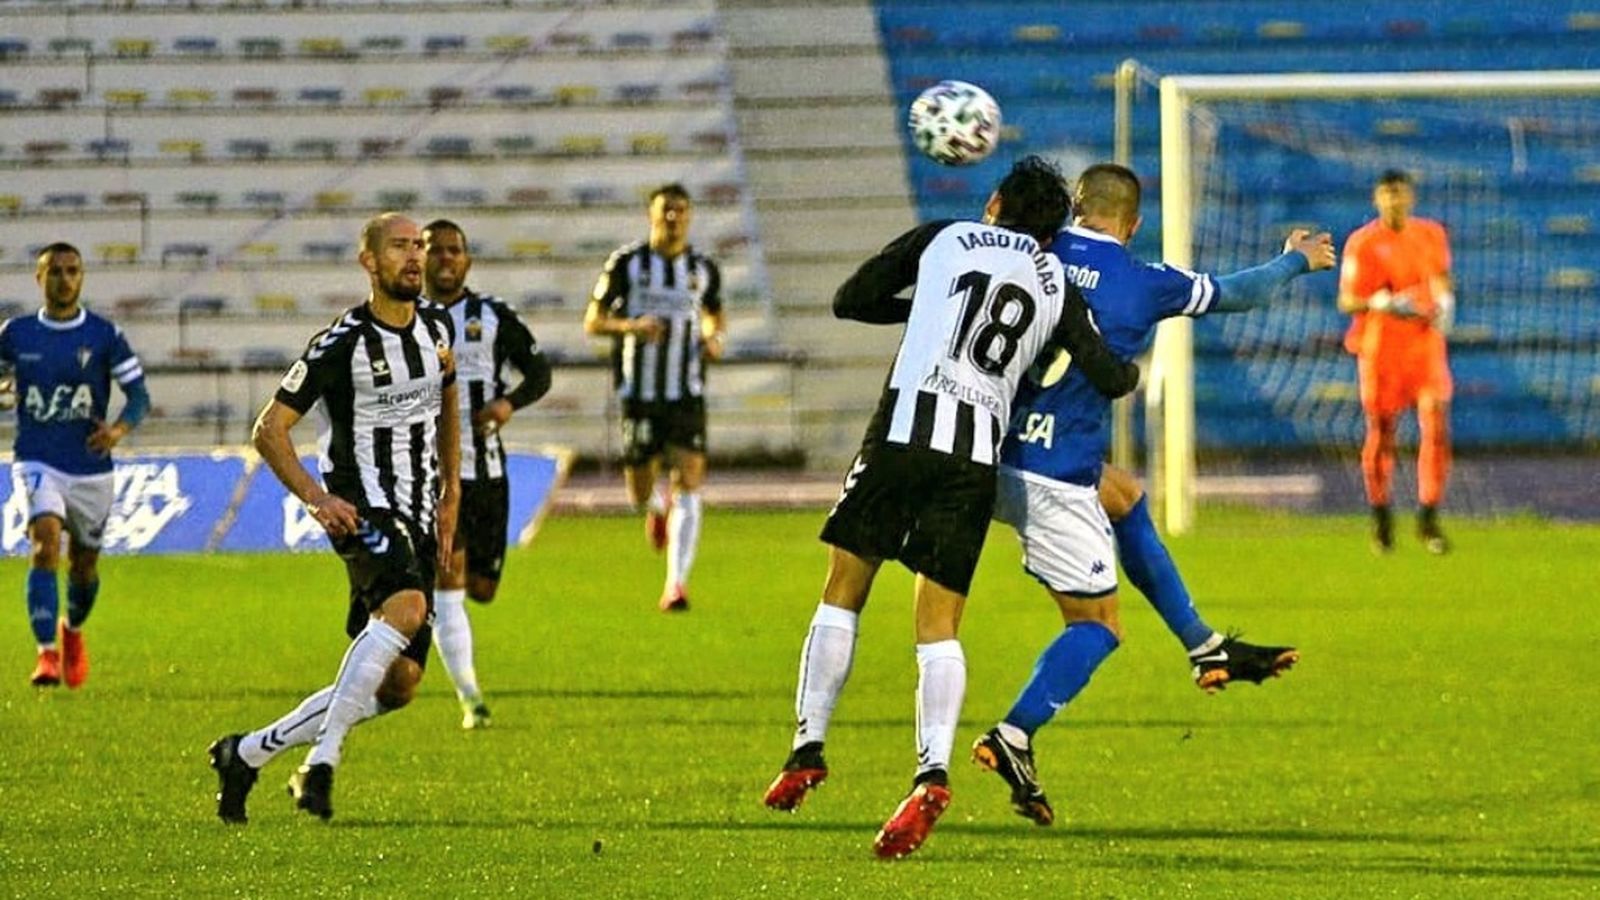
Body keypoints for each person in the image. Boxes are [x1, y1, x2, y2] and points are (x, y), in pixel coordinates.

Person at [759, 156, 1141, 859]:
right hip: (973, 461)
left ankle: (806, 747)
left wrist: (923, 308)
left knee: (844, 590)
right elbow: (1112, 376)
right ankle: (930, 771)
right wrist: (1126, 360)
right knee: (938, 625)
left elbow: (852, 299)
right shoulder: (1055, 284)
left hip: (904, 432)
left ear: (994, 202)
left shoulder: (945, 236)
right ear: (1052, 230)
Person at [969, 162, 1333, 825]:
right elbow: (1238, 294)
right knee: (1099, 627)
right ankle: (1013, 734)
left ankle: (1204, 645)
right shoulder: (1143, 282)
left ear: (1074, 206)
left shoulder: (1030, 248)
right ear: (1132, 224)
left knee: (1126, 495)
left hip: (983, 453)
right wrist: (1294, 260)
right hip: (1051, 478)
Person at [206, 213, 460, 823]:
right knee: (407, 609)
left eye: (418, 247)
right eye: (399, 247)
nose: (414, 257)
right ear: (369, 262)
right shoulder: (340, 343)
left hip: (420, 514)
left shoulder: (438, 328)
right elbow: (270, 430)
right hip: (364, 509)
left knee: (399, 685)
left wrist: (451, 493)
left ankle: (244, 753)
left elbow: (450, 397)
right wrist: (317, 500)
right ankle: (321, 761)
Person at [422, 218, 552, 730]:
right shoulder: (405, 319)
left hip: (488, 474)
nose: (446, 259)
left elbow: (539, 374)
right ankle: (470, 697)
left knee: (482, 589)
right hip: (433, 477)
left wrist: (507, 404)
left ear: (467, 261)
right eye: (436, 250)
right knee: (447, 580)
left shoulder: (494, 316)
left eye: (455, 251)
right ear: (422, 260)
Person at [0, 242, 150, 688]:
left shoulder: (104, 335)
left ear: (82, 277)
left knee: (84, 566)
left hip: (91, 467)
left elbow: (140, 396)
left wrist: (117, 432)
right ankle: (46, 654)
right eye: (55, 272)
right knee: (44, 543)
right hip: (37, 458)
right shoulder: (16, 333)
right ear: (39, 278)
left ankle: (72, 632)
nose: (64, 279)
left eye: (72, 271)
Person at [584, 183, 725, 612]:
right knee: (638, 488)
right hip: (640, 392)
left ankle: (676, 584)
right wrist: (632, 327)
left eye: (681, 210)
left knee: (691, 480)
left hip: (686, 392)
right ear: (651, 215)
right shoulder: (627, 264)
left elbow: (713, 313)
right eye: (666, 210)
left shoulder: (702, 268)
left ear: (690, 216)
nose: (673, 218)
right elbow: (593, 321)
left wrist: (713, 336)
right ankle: (655, 507)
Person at [1337, 169, 1455, 554]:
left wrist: (1446, 301)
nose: (1395, 201)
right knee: (1383, 433)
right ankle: (1382, 517)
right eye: (1387, 194)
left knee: (1435, 425)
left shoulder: (1431, 234)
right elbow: (1347, 300)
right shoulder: (1363, 243)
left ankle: (1428, 519)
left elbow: (1441, 278)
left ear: (1411, 197)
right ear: (1377, 199)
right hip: (1381, 348)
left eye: (1400, 193)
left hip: (1424, 345)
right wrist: (1379, 303)